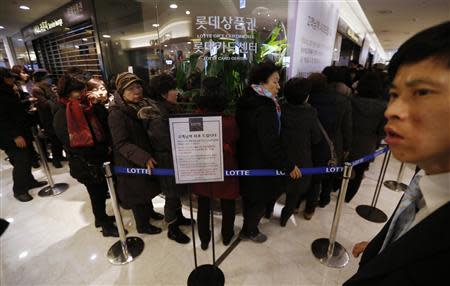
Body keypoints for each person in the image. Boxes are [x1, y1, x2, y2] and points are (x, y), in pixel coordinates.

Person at [344, 21, 450, 285]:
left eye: (422, 92)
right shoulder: (424, 181)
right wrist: (384, 250)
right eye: (394, 94)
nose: (391, 110)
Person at [236, 61, 301, 243]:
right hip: (261, 164)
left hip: (247, 158)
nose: (278, 86)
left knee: (250, 198)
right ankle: (250, 231)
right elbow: (270, 143)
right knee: (258, 200)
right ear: (262, 82)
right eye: (275, 81)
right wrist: (288, 165)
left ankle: (247, 227)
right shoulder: (265, 106)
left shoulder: (247, 98)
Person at [53, 74, 119, 237]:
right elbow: (73, 145)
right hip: (86, 163)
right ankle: (103, 223)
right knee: (96, 193)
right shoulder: (63, 114)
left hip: (101, 159)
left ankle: (101, 218)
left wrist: (97, 105)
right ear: (67, 94)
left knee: (102, 190)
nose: (83, 93)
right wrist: (103, 151)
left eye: (83, 89)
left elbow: (104, 124)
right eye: (78, 91)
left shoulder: (87, 106)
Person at [138, 74, 193, 244]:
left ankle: (180, 217)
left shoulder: (167, 107)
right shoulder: (157, 113)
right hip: (167, 159)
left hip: (174, 156)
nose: (177, 92)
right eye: (173, 89)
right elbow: (164, 140)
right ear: (163, 93)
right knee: (171, 195)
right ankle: (172, 228)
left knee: (176, 193)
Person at [108, 72, 163, 235]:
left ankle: (150, 212)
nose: (137, 91)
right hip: (131, 161)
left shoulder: (143, 105)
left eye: (138, 86)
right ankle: (143, 225)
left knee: (147, 189)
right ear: (122, 92)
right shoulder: (117, 113)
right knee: (138, 194)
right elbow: (121, 143)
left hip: (145, 155)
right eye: (131, 89)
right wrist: (143, 157)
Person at [190, 77, 240, 249]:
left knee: (203, 203)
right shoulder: (229, 121)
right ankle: (227, 235)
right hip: (226, 166)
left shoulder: (195, 119)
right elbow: (235, 142)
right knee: (227, 202)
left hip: (203, 165)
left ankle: (204, 238)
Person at [0, 67, 47, 202]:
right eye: (9, 77)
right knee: (20, 161)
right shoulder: (2, 94)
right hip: (11, 136)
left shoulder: (9, 90)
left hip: (21, 130)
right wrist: (15, 136)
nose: (12, 79)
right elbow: (2, 119)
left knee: (26, 158)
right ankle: (19, 190)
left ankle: (30, 181)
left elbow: (15, 108)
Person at [279, 77, 322, 224]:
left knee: (274, 189)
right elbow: (316, 138)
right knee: (293, 196)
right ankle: (284, 220)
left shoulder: (279, 108)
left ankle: (267, 212)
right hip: (301, 160)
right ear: (306, 96)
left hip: (279, 156)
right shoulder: (310, 113)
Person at [307, 73, 352, 207]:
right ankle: (324, 199)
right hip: (334, 143)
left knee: (314, 176)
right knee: (330, 173)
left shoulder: (308, 99)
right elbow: (347, 127)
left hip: (313, 143)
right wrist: (347, 147)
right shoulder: (343, 101)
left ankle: (309, 206)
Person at [345, 72, 387, 202]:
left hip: (348, 141)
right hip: (367, 145)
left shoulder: (350, 101)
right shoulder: (384, 107)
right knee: (358, 173)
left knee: (341, 169)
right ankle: (348, 197)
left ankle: (336, 188)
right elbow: (382, 131)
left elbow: (345, 122)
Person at [32, 69, 64, 168]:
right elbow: (45, 104)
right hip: (47, 117)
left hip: (55, 115)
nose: (49, 79)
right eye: (47, 77)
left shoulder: (49, 87)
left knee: (59, 138)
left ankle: (59, 156)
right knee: (54, 139)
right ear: (42, 79)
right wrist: (53, 96)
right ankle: (56, 159)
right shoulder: (37, 89)